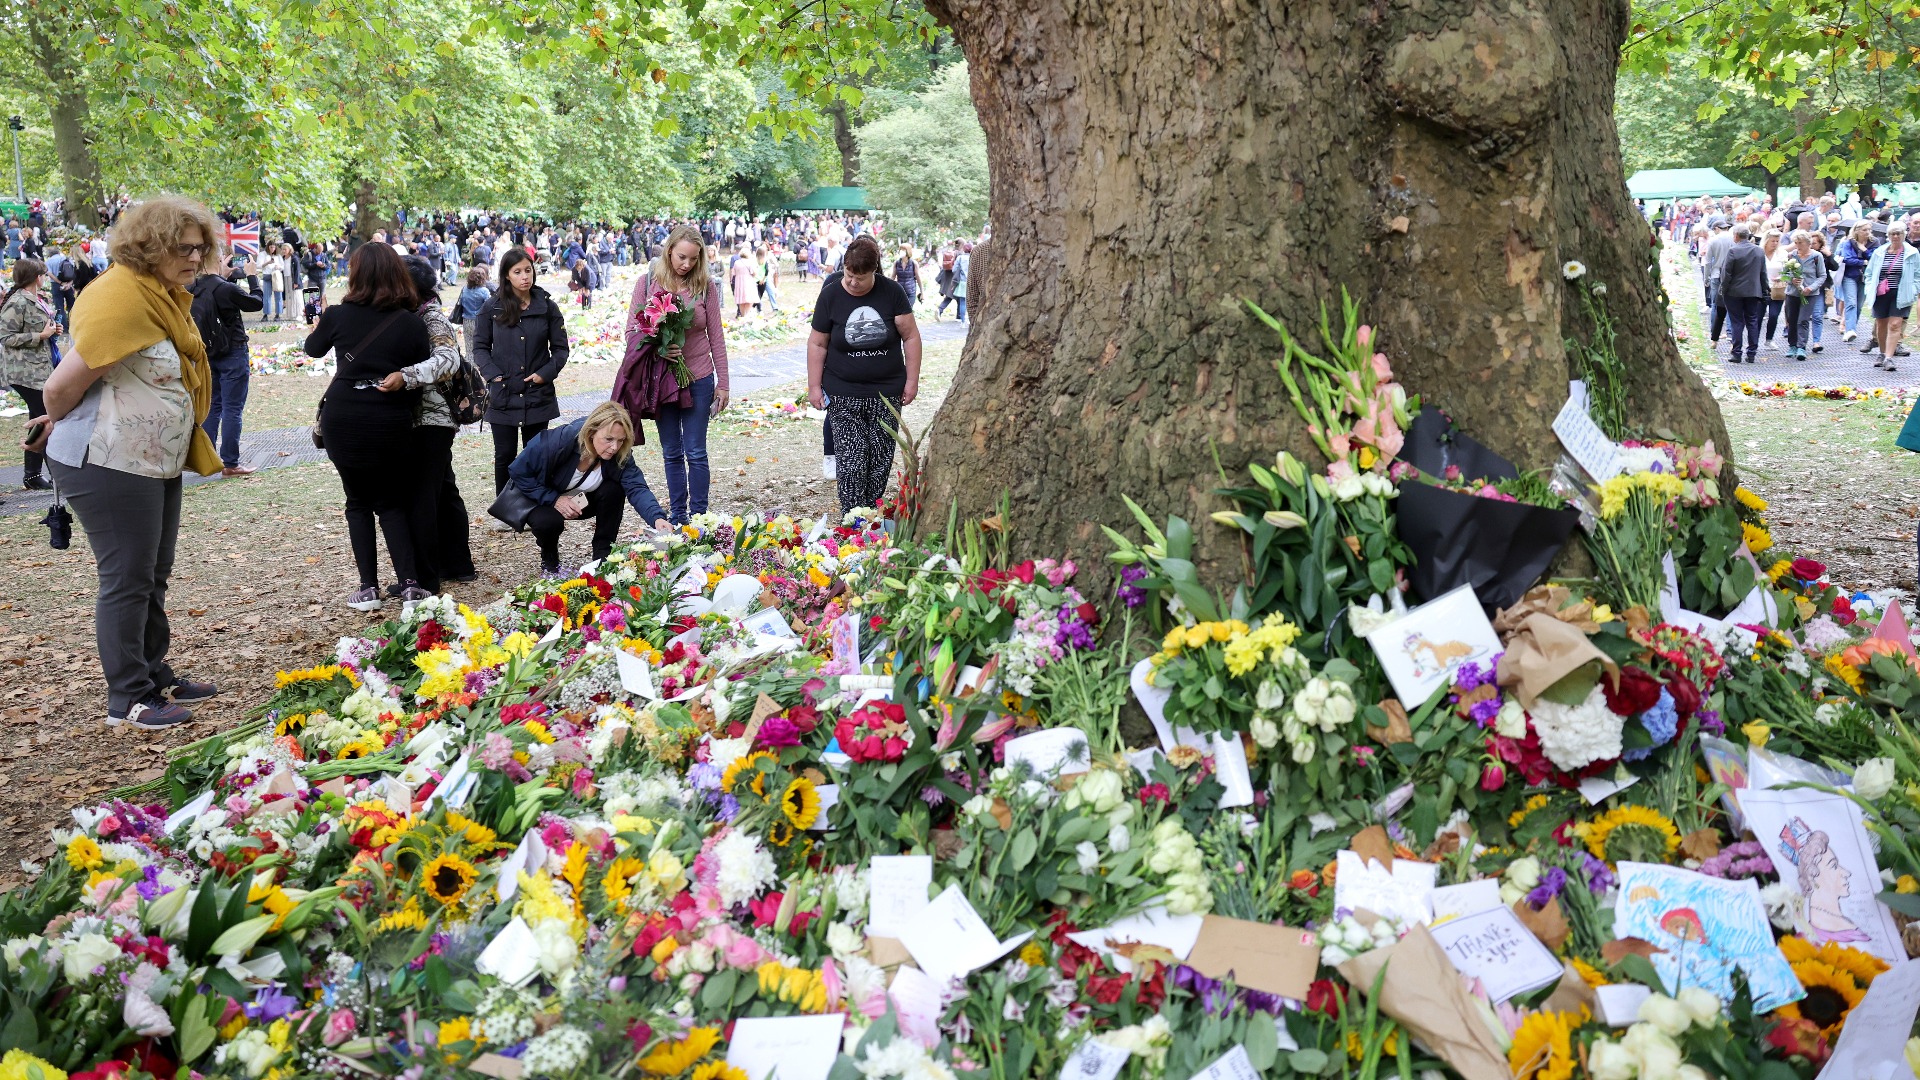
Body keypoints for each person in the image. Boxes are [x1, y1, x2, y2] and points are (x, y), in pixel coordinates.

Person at [21, 195, 228, 728]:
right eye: (181, 248)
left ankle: (154, 672)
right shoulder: (119, 297)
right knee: (128, 577)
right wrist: (56, 421)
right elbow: (60, 387)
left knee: (152, 574)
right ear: (149, 246)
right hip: (107, 459)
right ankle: (129, 698)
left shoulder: (162, 295)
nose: (193, 258)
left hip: (152, 457)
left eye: (200, 248)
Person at [305, 242, 431, 610]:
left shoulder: (339, 315)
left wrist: (320, 321)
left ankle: (367, 588)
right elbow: (420, 368)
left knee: (357, 500)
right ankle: (409, 584)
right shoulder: (410, 321)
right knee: (391, 502)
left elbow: (313, 349)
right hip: (389, 416)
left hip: (343, 416)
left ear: (356, 273)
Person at [807, 236, 922, 515]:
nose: (853, 282)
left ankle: (869, 513)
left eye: (860, 277)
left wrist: (911, 380)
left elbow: (911, 337)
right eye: (848, 275)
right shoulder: (831, 294)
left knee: (880, 460)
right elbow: (817, 343)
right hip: (844, 391)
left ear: (874, 271)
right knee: (852, 460)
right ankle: (852, 516)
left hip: (886, 391)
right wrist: (813, 386)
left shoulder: (891, 292)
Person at [633, 225, 730, 525]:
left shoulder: (706, 287)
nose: (686, 264)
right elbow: (631, 333)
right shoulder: (648, 282)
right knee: (672, 451)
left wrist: (723, 382)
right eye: (681, 257)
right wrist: (658, 349)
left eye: (693, 259)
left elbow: (716, 336)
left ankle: (699, 517)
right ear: (669, 250)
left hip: (699, 378)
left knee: (696, 451)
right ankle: (678, 516)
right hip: (663, 381)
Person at [507, 401, 670, 576]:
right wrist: (553, 499)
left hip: (581, 501)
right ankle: (550, 557)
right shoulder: (559, 441)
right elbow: (518, 471)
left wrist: (656, 518)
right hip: (544, 500)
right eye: (609, 439)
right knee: (548, 523)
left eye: (620, 440)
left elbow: (636, 487)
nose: (614, 447)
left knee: (614, 489)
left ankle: (603, 555)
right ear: (591, 432)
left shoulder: (620, 453)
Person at [396, 255, 475, 592]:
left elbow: (447, 361)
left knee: (425, 495)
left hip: (433, 418)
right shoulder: (411, 315)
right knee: (443, 490)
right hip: (426, 417)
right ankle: (457, 564)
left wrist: (405, 376)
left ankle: (425, 575)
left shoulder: (430, 317)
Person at [475, 247, 570, 501]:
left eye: (528, 270)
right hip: (503, 393)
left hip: (537, 393)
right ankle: (505, 507)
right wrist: (493, 375)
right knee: (504, 454)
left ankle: (534, 505)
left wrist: (545, 373)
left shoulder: (547, 307)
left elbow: (560, 349)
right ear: (507, 275)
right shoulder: (491, 308)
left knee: (537, 452)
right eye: (517, 272)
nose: (524, 276)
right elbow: (480, 347)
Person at [188, 261, 264, 476]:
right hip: (233, 351)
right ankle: (230, 463)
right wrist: (251, 276)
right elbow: (256, 303)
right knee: (232, 408)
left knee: (213, 405)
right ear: (216, 259)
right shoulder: (227, 289)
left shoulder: (193, 287)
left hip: (208, 352)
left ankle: (208, 460)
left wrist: (224, 276)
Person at [0, 260, 59, 490]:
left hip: (40, 370)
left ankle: (32, 475)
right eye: (43, 274)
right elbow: (5, 337)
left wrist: (53, 332)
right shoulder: (17, 302)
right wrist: (39, 336)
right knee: (48, 418)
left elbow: (39, 328)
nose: (44, 278)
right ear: (36, 277)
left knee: (38, 416)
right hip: (24, 373)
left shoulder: (36, 299)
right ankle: (58, 473)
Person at [1865, 222, 1920, 372]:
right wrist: (1870, 287)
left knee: (1895, 324)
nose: (1896, 236)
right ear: (1888, 236)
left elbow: (1917, 274)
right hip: (1881, 293)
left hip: (1902, 292)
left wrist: (1914, 289)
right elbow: (1869, 273)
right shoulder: (1879, 252)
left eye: (1899, 233)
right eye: (1893, 234)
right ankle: (1882, 353)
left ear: (1904, 234)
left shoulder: (1912, 253)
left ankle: (1889, 357)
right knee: (1881, 324)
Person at [1716, 224, 1768, 365]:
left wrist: (1723, 289)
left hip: (1734, 292)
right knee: (1752, 321)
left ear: (1736, 236)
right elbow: (1763, 273)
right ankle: (1751, 353)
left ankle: (1737, 352)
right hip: (1753, 291)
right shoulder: (1759, 251)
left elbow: (1726, 274)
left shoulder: (1733, 251)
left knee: (1737, 321)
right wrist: (1765, 290)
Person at [1782, 230, 1829, 362]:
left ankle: (1801, 346)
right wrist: (1791, 280)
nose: (1798, 245)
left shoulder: (1816, 256)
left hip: (1810, 294)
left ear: (1808, 243)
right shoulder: (1791, 256)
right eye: (1796, 243)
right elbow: (1785, 274)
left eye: (1800, 243)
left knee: (1802, 320)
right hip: (1792, 293)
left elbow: (1822, 276)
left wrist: (1811, 288)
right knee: (1791, 319)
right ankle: (1792, 346)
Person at [1700, 217, 1733, 345]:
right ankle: (1730, 333)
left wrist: (1706, 278)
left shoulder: (1713, 241)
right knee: (1731, 304)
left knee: (1715, 305)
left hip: (1716, 274)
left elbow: (1708, 262)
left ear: (1717, 228)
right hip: (1731, 275)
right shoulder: (1733, 238)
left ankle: (1714, 333)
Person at [1843, 222, 1876, 347]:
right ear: (1856, 231)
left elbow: (1875, 258)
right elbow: (1847, 259)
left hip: (1865, 277)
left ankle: (1852, 328)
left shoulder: (1874, 242)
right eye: (1864, 230)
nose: (1867, 232)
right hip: (1850, 276)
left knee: (1859, 305)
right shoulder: (1848, 242)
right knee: (1851, 302)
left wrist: (1864, 250)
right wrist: (1864, 262)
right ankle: (1850, 330)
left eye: (1869, 229)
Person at [457, 267, 492, 358]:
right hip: (479, 322)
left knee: (468, 347)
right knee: (480, 347)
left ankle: (470, 366)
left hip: (466, 321)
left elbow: (460, 303)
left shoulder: (464, 289)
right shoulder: (484, 291)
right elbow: (489, 307)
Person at [1760, 230, 1786, 345]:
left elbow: (1787, 270)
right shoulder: (1759, 253)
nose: (1775, 243)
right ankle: (1754, 340)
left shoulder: (1782, 253)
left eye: (1777, 241)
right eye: (1772, 241)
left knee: (1774, 315)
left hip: (1777, 288)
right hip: (1762, 288)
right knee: (1758, 315)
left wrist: (1782, 277)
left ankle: (1769, 339)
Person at [730, 247, 759, 319]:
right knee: (749, 299)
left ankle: (742, 315)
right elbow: (754, 273)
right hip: (748, 282)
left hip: (739, 283)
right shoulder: (750, 262)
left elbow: (733, 273)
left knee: (741, 300)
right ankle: (747, 314)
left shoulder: (736, 262)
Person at [893, 244, 921, 310]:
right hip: (900, 292)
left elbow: (918, 278)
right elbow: (893, 276)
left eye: (903, 250)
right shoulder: (897, 263)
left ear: (908, 251)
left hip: (911, 292)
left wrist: (922, 292)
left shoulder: (913, 263)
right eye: (900, 250)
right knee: (900, 311)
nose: (901, 251)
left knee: (908, 310)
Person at [935, 247, 959, 320]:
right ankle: (959, 316)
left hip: (947, 279)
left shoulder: (950, 253)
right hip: (955, 279)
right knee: (960, 299)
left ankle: (940, 310)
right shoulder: (959, 254)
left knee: (949, 297)